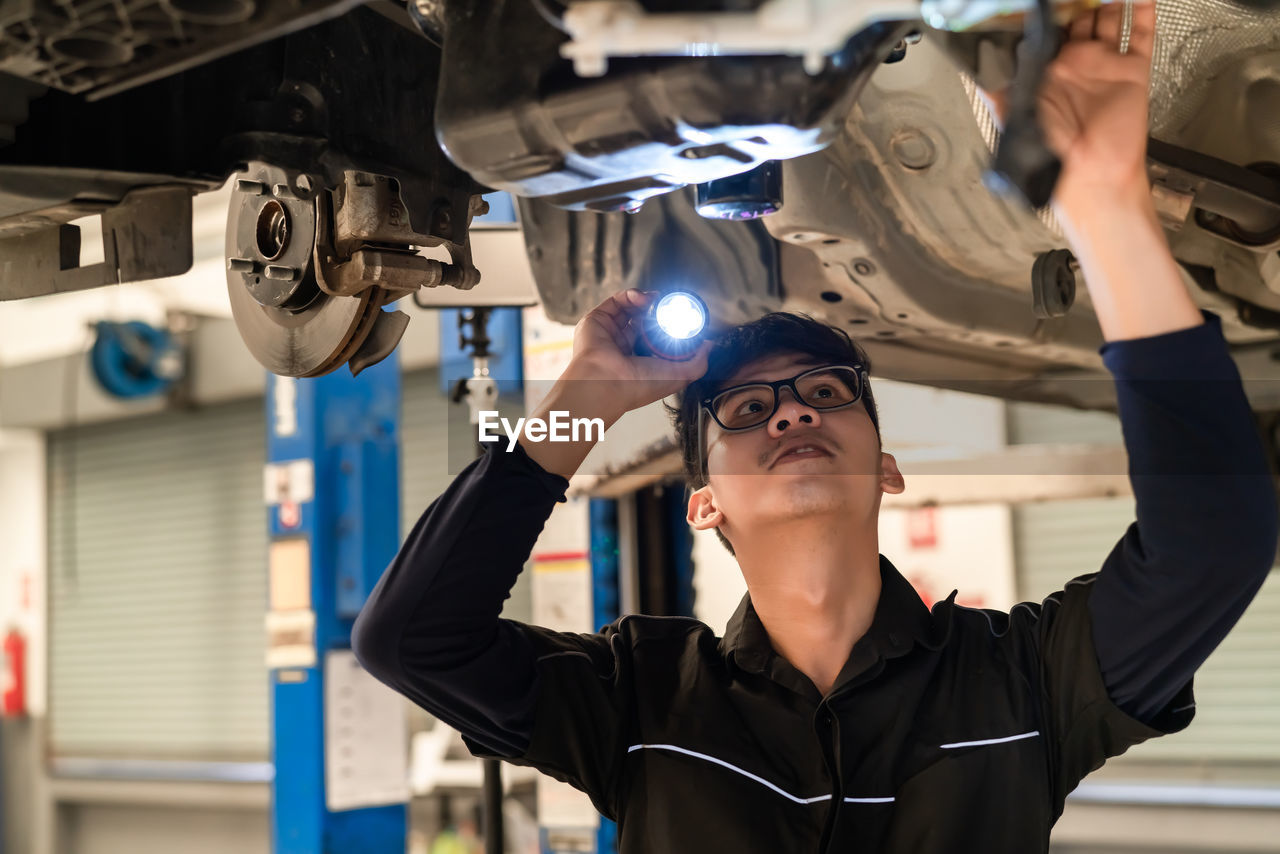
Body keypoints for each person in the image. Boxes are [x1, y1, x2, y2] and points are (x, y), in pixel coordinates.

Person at [353, 3, 1279, 851]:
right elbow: (411, 641)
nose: (793, 409)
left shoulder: (1024, 680)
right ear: (704, 503)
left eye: (829, 393)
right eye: (749, 410)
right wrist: (585, 401)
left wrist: (1106, 208)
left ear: (888, 470)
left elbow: (1210, 550)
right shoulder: (638, 699)